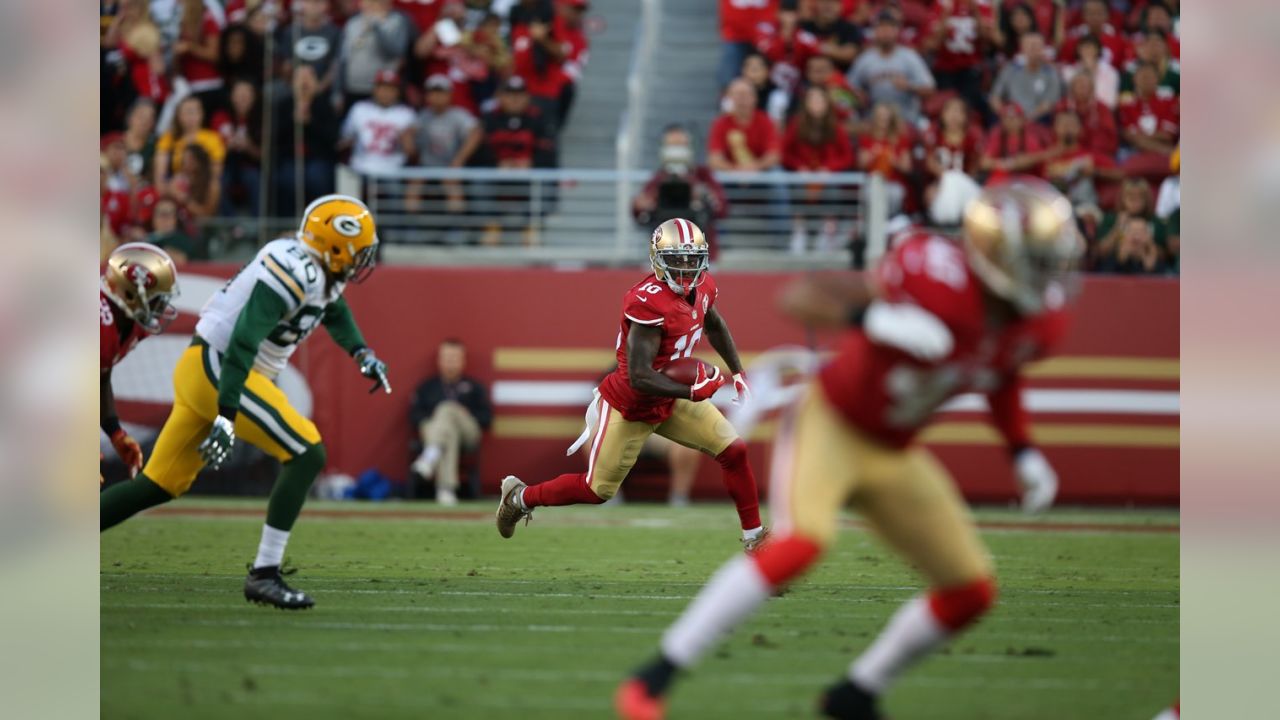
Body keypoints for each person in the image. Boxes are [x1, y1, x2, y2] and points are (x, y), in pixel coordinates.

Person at [617, 178, 1081, 720]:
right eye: (1038, 260)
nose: (1048, 276)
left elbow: (1003, 371)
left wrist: (1022, 450)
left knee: (971, 589)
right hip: (832, 424)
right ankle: (653, 679)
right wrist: (873, 317)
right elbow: (801, 296)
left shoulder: (1038, 322)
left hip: (894, 450)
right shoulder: (934, 273)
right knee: (801, 544)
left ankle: (856, 695)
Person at [99, 195, 392, 610]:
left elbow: (332, 305)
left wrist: (360, 352)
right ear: (334, 246)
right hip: (220, 367)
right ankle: (264, 574)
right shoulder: (291, 269)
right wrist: (227, 415)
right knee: (307, 452)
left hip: (216, 368)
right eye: (359, 252)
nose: (364, 261)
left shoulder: (321, 270)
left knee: (157, 484)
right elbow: (242, 342)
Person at [495, 218, 769, 552]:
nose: (686, 267)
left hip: (669, 400)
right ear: (657, 258)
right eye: (677, 259)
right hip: (630, 404)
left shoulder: (705, 287)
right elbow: (639, 376)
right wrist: (690, 391)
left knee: (734, 451)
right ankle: (520, 497)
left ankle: (755, 539)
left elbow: (714, 323)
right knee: (597, 491)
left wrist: (738, 371)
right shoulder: (648, 301)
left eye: (692, 258)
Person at [100, 243, 180, 484]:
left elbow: (99, 377)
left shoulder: (126, 323)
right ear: (131, 293)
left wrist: (115, 432)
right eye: (157, 300)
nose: (161, 309)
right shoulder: (99, 323)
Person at [409, 339, 493, 506]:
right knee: (448, 431)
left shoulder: (475, 387)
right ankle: (446, 489)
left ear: (463, 361)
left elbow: (487, 418)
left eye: (455, 358)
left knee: (447, 408)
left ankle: (429, 457)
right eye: (447, 358)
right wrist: (437, 420)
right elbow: (415, 416)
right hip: (434, 431)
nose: (450, 362)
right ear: (439, 360)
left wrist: (464, 413)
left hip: (468, 433)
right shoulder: (427, 387)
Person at [633, 124, 728, 254]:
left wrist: (700, 193)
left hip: (700, 254)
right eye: (672, 145)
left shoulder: (702, 176)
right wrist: (645, 203)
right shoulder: (658, 180)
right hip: (665, 254)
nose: (676, 150)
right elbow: (639, 213)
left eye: (681, 145)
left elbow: (721, 208)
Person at [783, 85, 854, 253]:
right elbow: (784, 153)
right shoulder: (796, 124)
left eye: (819, 100)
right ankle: (798, 233)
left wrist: (829, 169)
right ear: (805, 104)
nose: (816, 104)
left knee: (833, 190)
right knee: (798, 189)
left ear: (826, 104)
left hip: (827, 178)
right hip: (803, 177)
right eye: (812, 100)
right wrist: (799, 168)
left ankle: (827, 233)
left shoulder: (835, 126)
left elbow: (848, 156)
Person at [847, 11, 934, 126]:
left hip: (907, 120)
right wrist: (857, 95)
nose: (885, 33)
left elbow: (930, 90)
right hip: (874, 122)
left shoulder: (909, 56)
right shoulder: (865, 59)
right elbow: (847, 88)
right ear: (875, 32)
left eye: (889, 28)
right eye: (881, 28)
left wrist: (909, 86)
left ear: (896, 31)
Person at [921, 0, 998, 122]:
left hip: (971, 66)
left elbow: (990, 41)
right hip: (945, 66)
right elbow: (930, 45)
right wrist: (945, 17)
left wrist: (976, 13)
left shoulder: (982, 4)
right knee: (945, 106)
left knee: (970, 106)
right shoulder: (941, 4)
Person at [340, 69, 416, 175]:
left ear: (398, 92)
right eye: (382, 88)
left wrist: (406, 142)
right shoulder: (359, 108)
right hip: (360, 169)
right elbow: (344, 139)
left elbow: (411, 152)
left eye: (390, 89)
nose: (386, 92)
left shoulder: (406, 113)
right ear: (375, 89)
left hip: (393, 171)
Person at [339, 0, 413, 108]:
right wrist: (338, 90)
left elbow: (395, 51)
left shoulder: (397, 21)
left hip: (383, 88)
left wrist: (377, 27)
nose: (372, 5)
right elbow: (343, 58)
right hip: (353, 87)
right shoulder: (352, 23)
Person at [154, 95, 226, 192]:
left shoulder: (213, 138)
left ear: (202, 114)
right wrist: (165, 189)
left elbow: (216, 172)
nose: (190, 116)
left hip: (203, 187)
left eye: (194, 112)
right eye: (187, 112)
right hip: (175, 186)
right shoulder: (168, 138)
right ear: (178, 116)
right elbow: (160, 174)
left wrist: (193, 183)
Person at [988, 32, 1062, 125]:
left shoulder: (1050, 72)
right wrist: (1005, 115)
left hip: (1038, 120)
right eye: (1030, 46)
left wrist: (1027, 119)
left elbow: (1049, 103)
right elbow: (995, 97)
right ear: (1023, 49)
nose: (1033, 50)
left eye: (1037, 46)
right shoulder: (1010, 69)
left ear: (1043, 49)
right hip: (1010, 118)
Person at [802, 0, 863, 71]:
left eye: (833, 2)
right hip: (806, 76)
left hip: (838, 76)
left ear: (840, 6)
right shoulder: (805, 26)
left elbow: (849, 55)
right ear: (817, 3)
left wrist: (819, 46)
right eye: (825, 2)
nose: (828, 6)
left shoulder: (849, 28)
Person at [1097, 214, 1167, 275]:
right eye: (1132, 231)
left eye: (1140, 232)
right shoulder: (1113, 256)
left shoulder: (1155, 259)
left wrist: (1149, 269)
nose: (1136, 237)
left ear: (1148, 236)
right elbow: (1104, 280)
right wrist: (1120, 261)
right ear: (1125, 235)